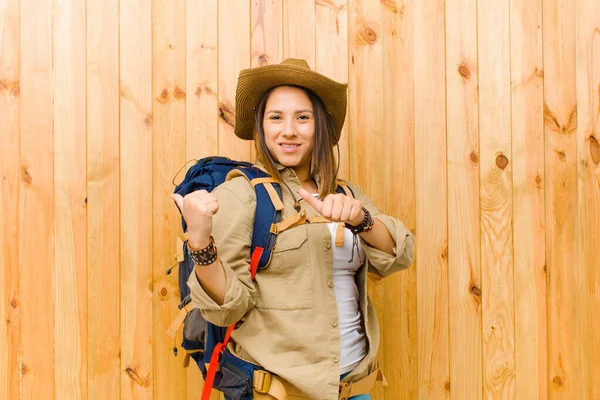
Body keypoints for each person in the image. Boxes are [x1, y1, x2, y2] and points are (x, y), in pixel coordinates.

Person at [171, 58, 415, 400]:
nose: (289, 130)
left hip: (355, 389)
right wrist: (199, 241)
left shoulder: (346, 194)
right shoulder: (241, 196)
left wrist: (362, 220)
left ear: (320, 127)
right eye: (276, 117)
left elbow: (399, 255)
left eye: (303, 117)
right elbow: (227, 309)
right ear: (261, 127)